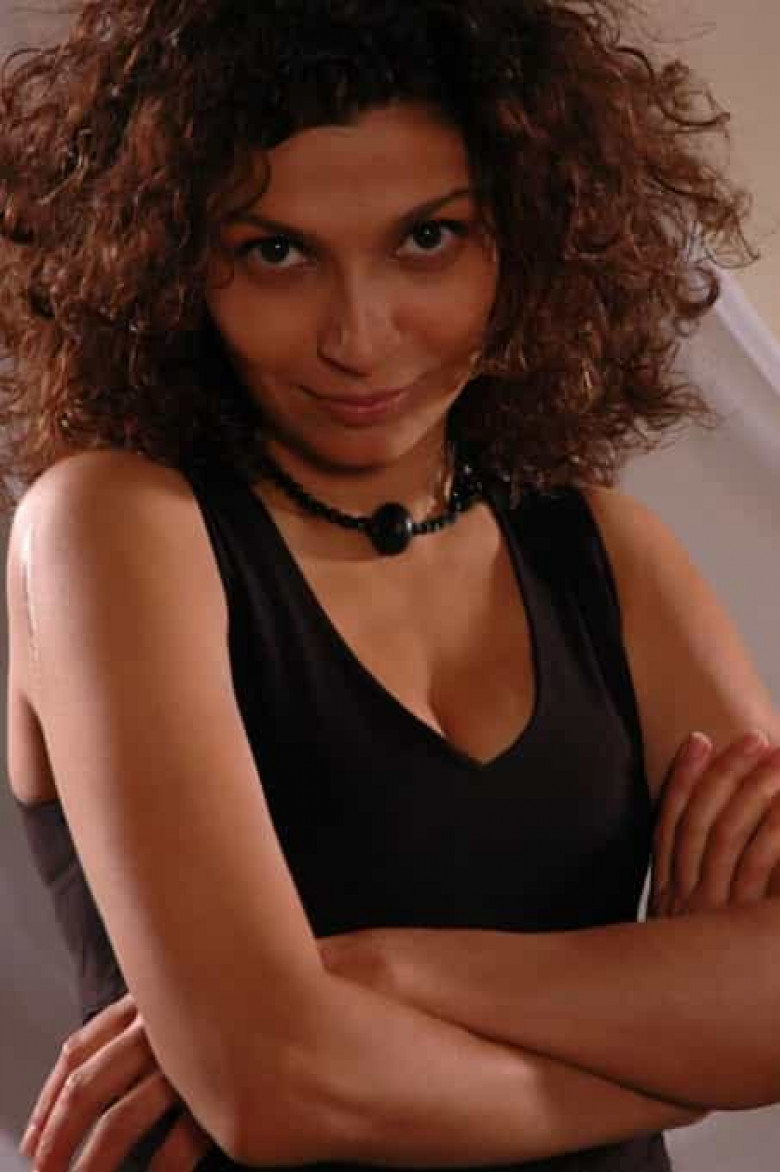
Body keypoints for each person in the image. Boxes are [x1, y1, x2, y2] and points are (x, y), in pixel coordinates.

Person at [2, 1, 780, 1170]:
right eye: (277, 252)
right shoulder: (112, 526)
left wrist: (387, 968)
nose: (359, 339)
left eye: (427, 238)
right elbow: (277, 1086)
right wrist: (681, 1065)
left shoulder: (608, 553)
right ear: (171, 260)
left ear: (525, 230)